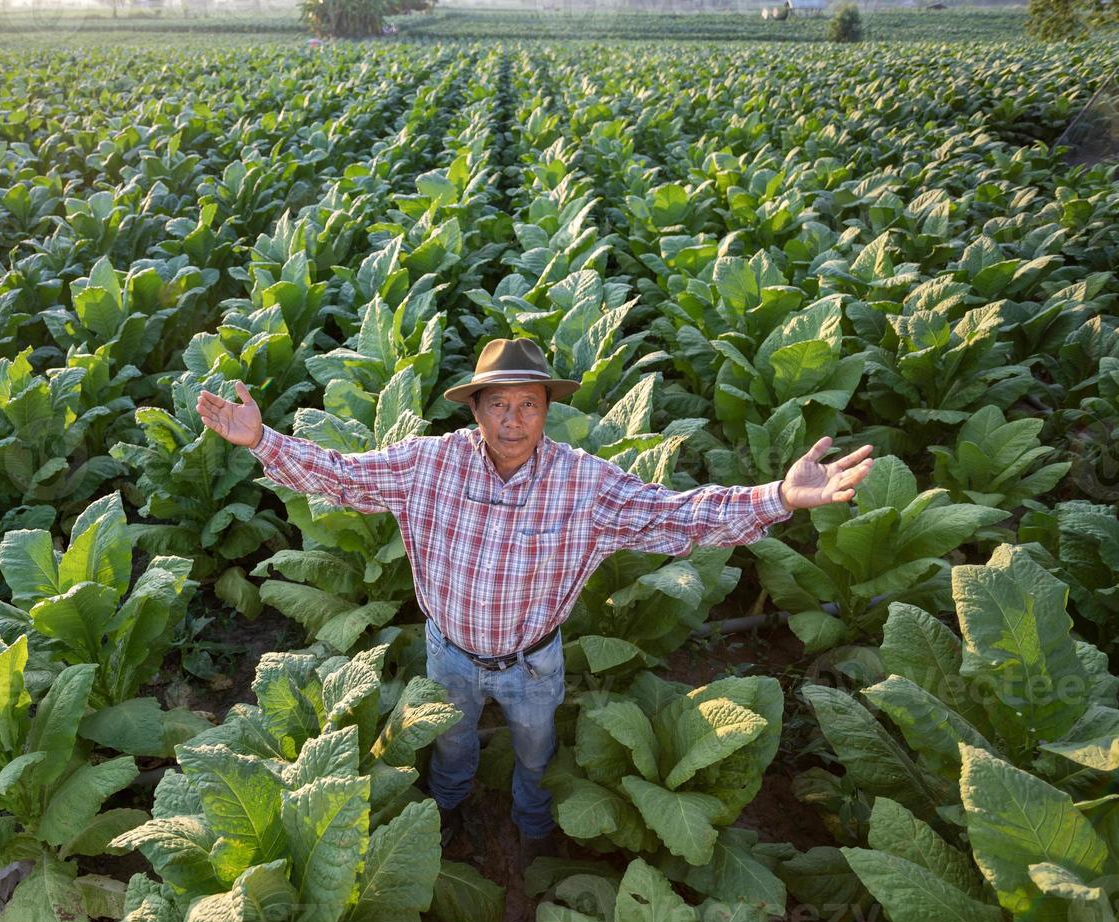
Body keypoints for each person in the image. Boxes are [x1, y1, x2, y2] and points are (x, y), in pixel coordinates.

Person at [196, 337, 875, 865]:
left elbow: (678, 516)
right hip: (450, 653)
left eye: (526, 404)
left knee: (534, 748)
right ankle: (445, 817)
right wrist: (261, 441)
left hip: (532, 661)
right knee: (453, 747)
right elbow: (341, 478)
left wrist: (779, 498)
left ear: (547, 410)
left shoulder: (584, 483)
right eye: (497, 404)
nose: (511, 419)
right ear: (474, 409)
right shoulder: (429, 463)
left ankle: (529, 828)